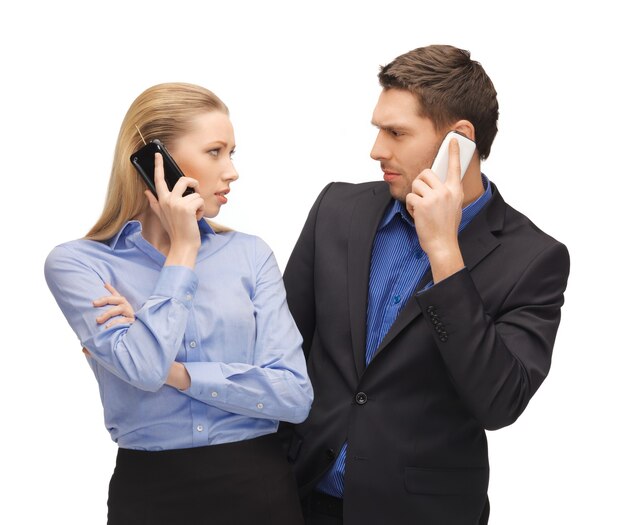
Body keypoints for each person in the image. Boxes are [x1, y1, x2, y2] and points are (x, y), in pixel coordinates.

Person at [280, 45, 570, 525]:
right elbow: (280, 348)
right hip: (302, 497)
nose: (376, 150)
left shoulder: (533, 258)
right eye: (378, 129)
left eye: (395, 133)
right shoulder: (337, 209)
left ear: (457, 141)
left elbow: (499, 403)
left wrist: (444, 253)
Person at [44, 82, 313, 525]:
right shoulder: (78, 264)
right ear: (157, 162)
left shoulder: (249, 254)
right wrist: (183, 251)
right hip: (151, 494)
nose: (232, 171)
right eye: (215, 152)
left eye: (232, 152)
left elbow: (294, 396)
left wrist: (177, 373)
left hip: (259, 488)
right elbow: (144, 371)